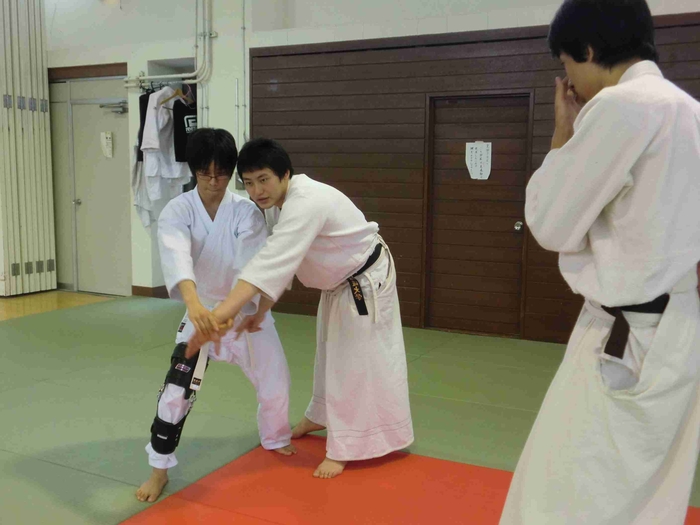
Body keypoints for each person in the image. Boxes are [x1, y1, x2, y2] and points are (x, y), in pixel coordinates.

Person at [499, 1, 700, 523]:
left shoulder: (621, 107)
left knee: (572, 482)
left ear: (587, 51)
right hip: (679, 326)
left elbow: (550, 223)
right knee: (650, 486)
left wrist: (562, 135)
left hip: (626, 337)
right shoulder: (690, 111)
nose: (570, 81)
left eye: (567, 65)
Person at [187, 138, 414, 479]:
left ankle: (347, 447)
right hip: (339, 284)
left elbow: (271, 262)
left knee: (353, 363)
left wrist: (220, 315)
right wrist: (260, 312)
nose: (257, 191)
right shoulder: (276, 205)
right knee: (329, 355)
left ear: (285, 174)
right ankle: (319, 415)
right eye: (249, 183)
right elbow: (279, 266)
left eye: (263, 179)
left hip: (364, 281)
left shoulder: (305, 202)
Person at [136, 129, 295, 503]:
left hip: (244, 313)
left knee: (275, 382)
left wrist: (225, 316)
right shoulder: (178, 210)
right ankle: (159, 469)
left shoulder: (245, 211)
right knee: (175, 393)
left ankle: (275, 438)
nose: (213, 181)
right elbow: (177, 258)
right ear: (193, 170)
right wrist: (196, 309)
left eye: (221, 173)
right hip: (200, 312)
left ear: (231, 171)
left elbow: (248, 269)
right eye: (204, 173)